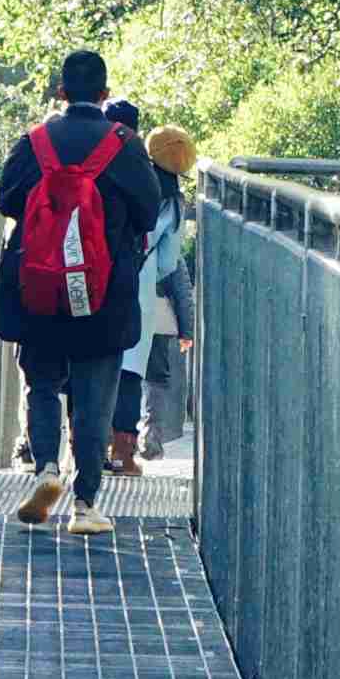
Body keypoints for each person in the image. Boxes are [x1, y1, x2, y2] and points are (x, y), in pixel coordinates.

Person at [0, 50, 170, 529]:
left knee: (43, 382)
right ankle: (86, 503)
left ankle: (46, 467)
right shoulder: (125, 145)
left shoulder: (35, 142)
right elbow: (149, 214)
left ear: (61, 92)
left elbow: (8, 199)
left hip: (42, 286)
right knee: (94, 395)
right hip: (103, 290)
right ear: (105, 95)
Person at [112, 125, 199, 474]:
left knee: (102, 366)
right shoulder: (174, 205)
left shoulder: (129, 182)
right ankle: (123, 452)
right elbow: (167, 262)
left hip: (104, 280)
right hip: (140, 290)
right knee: (132, 372)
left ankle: (88, 446)